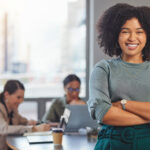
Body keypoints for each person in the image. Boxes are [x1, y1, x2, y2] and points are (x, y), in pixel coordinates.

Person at [87, 3, 150, 150]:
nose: (132, 38)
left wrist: (124, 104)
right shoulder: (103, 68)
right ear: (115, 34)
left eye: (139, 32)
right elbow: (103, 113)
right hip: (112, 143)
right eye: (125, 31)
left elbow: (112, 112)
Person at [0, 80, 51, 150]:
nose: (21, 101)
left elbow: (21, 120)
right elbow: (4, 129)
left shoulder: (12, 109)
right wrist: (33, 129)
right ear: (6, 95)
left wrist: (30, 122)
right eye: (18, 97)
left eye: (22, 98)